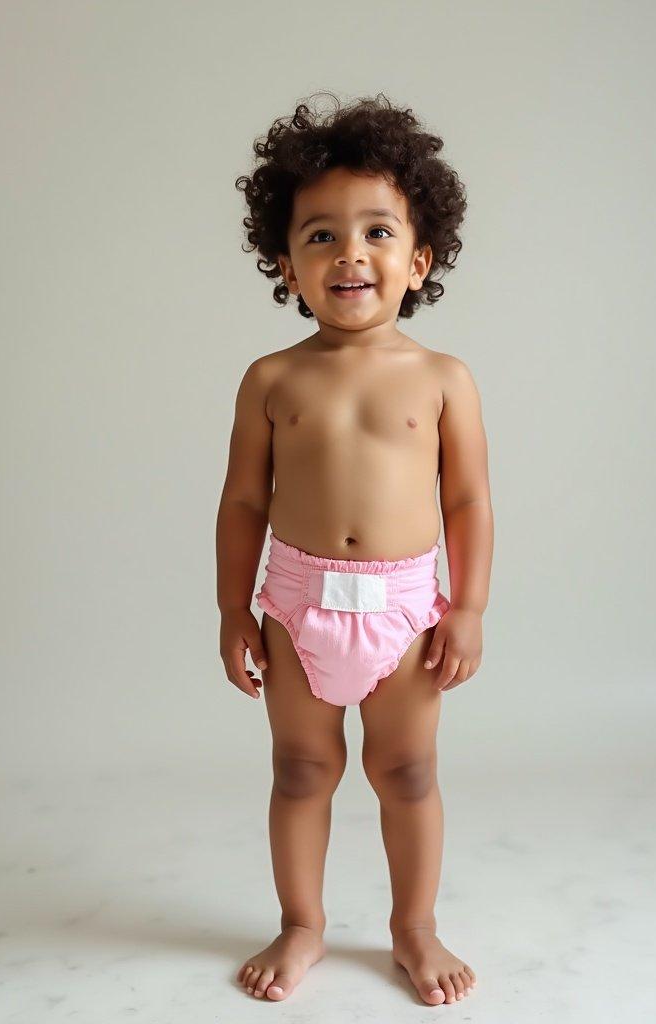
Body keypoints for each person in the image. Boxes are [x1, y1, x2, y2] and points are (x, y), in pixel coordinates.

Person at [216, 92, 493, 1006]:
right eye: (321, 236)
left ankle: (414, 927)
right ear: (284, 261)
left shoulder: (443, 379)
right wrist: (232, 612)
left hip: (410, 613)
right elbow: (245, 500)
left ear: (418, 261)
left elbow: (467, 499)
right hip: (297, 605)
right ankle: (302, 923)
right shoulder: (272, 378)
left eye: (376, 232)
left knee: (407, 772)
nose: (350, 254)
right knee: (301, 769)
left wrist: (471, 607)